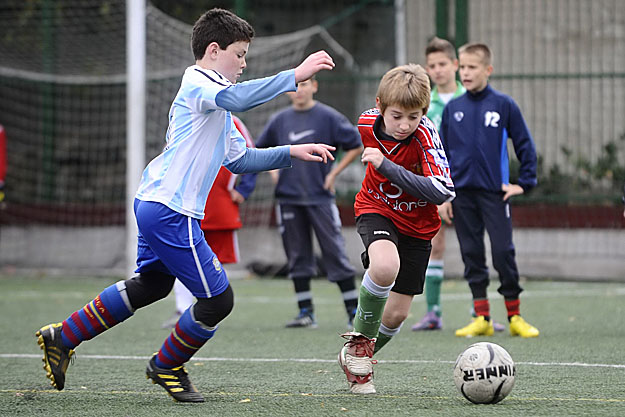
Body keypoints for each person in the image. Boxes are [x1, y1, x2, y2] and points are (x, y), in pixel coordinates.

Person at [35, 7, 337, 403]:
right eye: (240, 53)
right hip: (169, 210)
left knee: (152, 285)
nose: (244, 63)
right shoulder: (199, 81)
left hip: (157, 203)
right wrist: (294, 76)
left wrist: (292, 151)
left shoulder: (217, 102)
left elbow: (239, 160)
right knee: (218, 299)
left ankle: (64, 336)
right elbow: (239, 97)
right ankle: (167, 365)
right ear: (214, 50)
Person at [337, 64, 455, 394]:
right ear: (379, 107)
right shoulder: (365, 122)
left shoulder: (426, 135)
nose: (405, 125)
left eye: (414, 116)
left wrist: (386, 165)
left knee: (397, 315)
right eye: (397, 116)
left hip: (419, 225)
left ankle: (358, 354)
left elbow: (442, 190)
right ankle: (359, 348)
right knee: (385, 265)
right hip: (377, 209)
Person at [439, 42, 540, 338]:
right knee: (471, 253)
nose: (466, 73)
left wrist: (525, 183)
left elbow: (524, 144)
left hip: (495, 194)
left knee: (502, 252)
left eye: (472, 67)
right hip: (461, 195)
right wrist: (444, 194)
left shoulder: (504, 105)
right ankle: (481, 316)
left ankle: (514, 316)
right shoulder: (453, 109)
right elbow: (440, 155)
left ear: (488, 70)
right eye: (463, 67)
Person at [411, 37, 505, 332]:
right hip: (435, 187)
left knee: (476, 247)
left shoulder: (476, 98)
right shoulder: (427, 105)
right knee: (435, 244)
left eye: (442, 64)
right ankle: (433, 313)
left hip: (472, 187)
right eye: (431, 66)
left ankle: (479, 313)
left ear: (455, 65)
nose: (437, 70)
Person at [255, 76, 363, 329]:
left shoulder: (329, 117)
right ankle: (306, 313)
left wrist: (334, 173)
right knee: (297, 255)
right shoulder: (279, 120)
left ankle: (354, 313)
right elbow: (260, 150)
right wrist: (275, 173)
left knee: (334, 252)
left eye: (304, 84)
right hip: (289, 199)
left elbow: (356, 145)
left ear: (315, 86)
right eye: (295, 86)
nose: (299, 90)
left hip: (320, 198)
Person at [161, 116, 257, 329]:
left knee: (215, 260)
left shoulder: (233, 121)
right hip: (184, 202)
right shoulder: (186, 117)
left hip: (218, 205)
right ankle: (182, 309)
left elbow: (251, 154)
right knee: (180, 256)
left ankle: (208, 310)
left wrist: (244, 189)